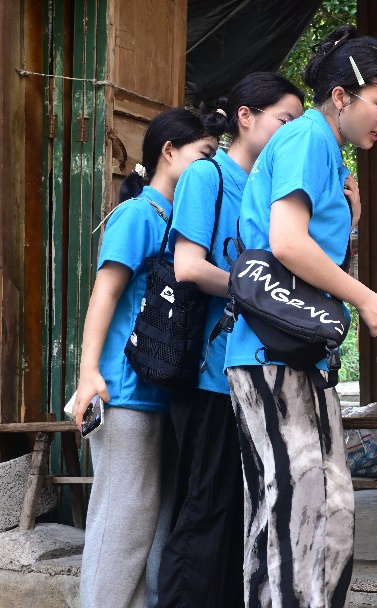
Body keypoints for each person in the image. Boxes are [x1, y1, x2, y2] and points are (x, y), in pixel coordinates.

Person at [224, 25, 377, 607]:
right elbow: (287, 243)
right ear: (342, 96)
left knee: (329, 503)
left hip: (300, 353)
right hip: (267, 353)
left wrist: (350, 222)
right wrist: (366, 297)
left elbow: (309, 250)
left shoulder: (325, 148)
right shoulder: (306, 137)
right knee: (294, 507)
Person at [155, 73, 305, 608]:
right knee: (207, 509)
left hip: (259, 370)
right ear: (245, 116)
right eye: (284, 120)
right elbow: (189, 266)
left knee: (245, 515)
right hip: (211, 372)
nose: (291, 133)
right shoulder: (208, 176)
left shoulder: (276, 190)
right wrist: (264, 294)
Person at [73, 108, 222, 608]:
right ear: (168, 152)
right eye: (204, 155)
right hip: (124, 394)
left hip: (165, 395)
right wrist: (88, 374)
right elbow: (105, 294)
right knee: (121, 527)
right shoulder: (137, 215)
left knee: (156, 528)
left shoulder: (183, 222)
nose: (210, 167)